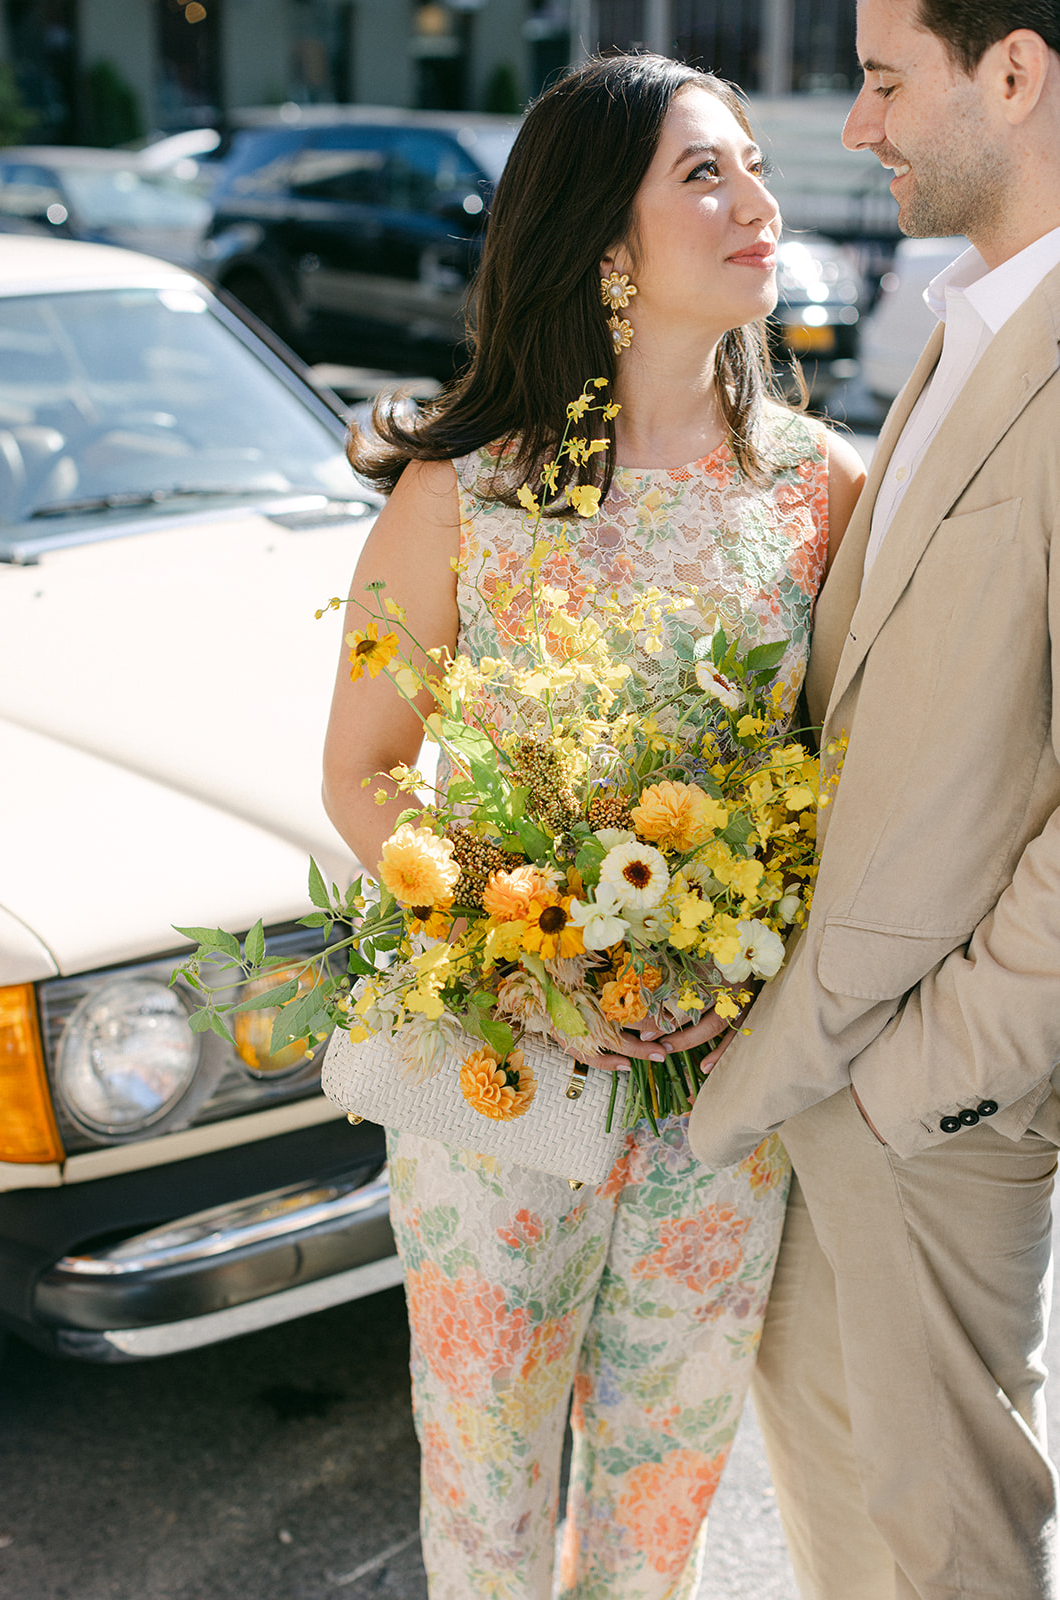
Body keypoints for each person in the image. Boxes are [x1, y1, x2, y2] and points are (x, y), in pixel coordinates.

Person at [322, 53, 864, 1600]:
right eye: (708, 173)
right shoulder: (463, 493)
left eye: (756, 165)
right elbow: (365, 771)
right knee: (486, 1515)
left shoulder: (820, 492)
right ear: (599, 240)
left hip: (723, 1111)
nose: (761, 204)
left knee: (660, 1519)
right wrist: (527, 948)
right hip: (496, 1090)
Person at [684, 2, 1060, 1596]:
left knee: (946, 1559)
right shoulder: (977, 323)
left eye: (888, 78)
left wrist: (933, 1074)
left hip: (932, 1111)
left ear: (1020, 73)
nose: (856, 125)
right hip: (811, 1078)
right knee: (850, 1551)